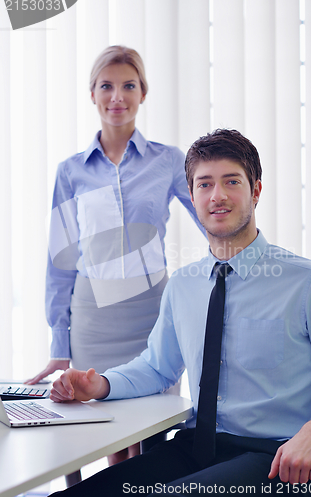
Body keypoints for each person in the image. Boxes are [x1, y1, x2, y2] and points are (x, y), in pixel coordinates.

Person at [49, 128, 311, 496]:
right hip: (196, 448)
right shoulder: (183, 286)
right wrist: (99, 384)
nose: (218, 195)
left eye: (231, 181)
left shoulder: (309, 283)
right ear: (192, 195)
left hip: (274, 455)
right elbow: (156, 367)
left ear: (256, 191)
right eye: (204, 184)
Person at [26, 45, 204, 463]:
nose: (117, 96)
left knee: (153, 425)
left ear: (144, 92)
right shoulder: (71, 171)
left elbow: (210, 221)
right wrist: (59, 340)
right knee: (109, 435)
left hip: (152, 313)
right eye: (107, 86)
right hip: (94, 317)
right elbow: (60, 261)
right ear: (92, 94)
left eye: (129, 85)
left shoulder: (169, 160)